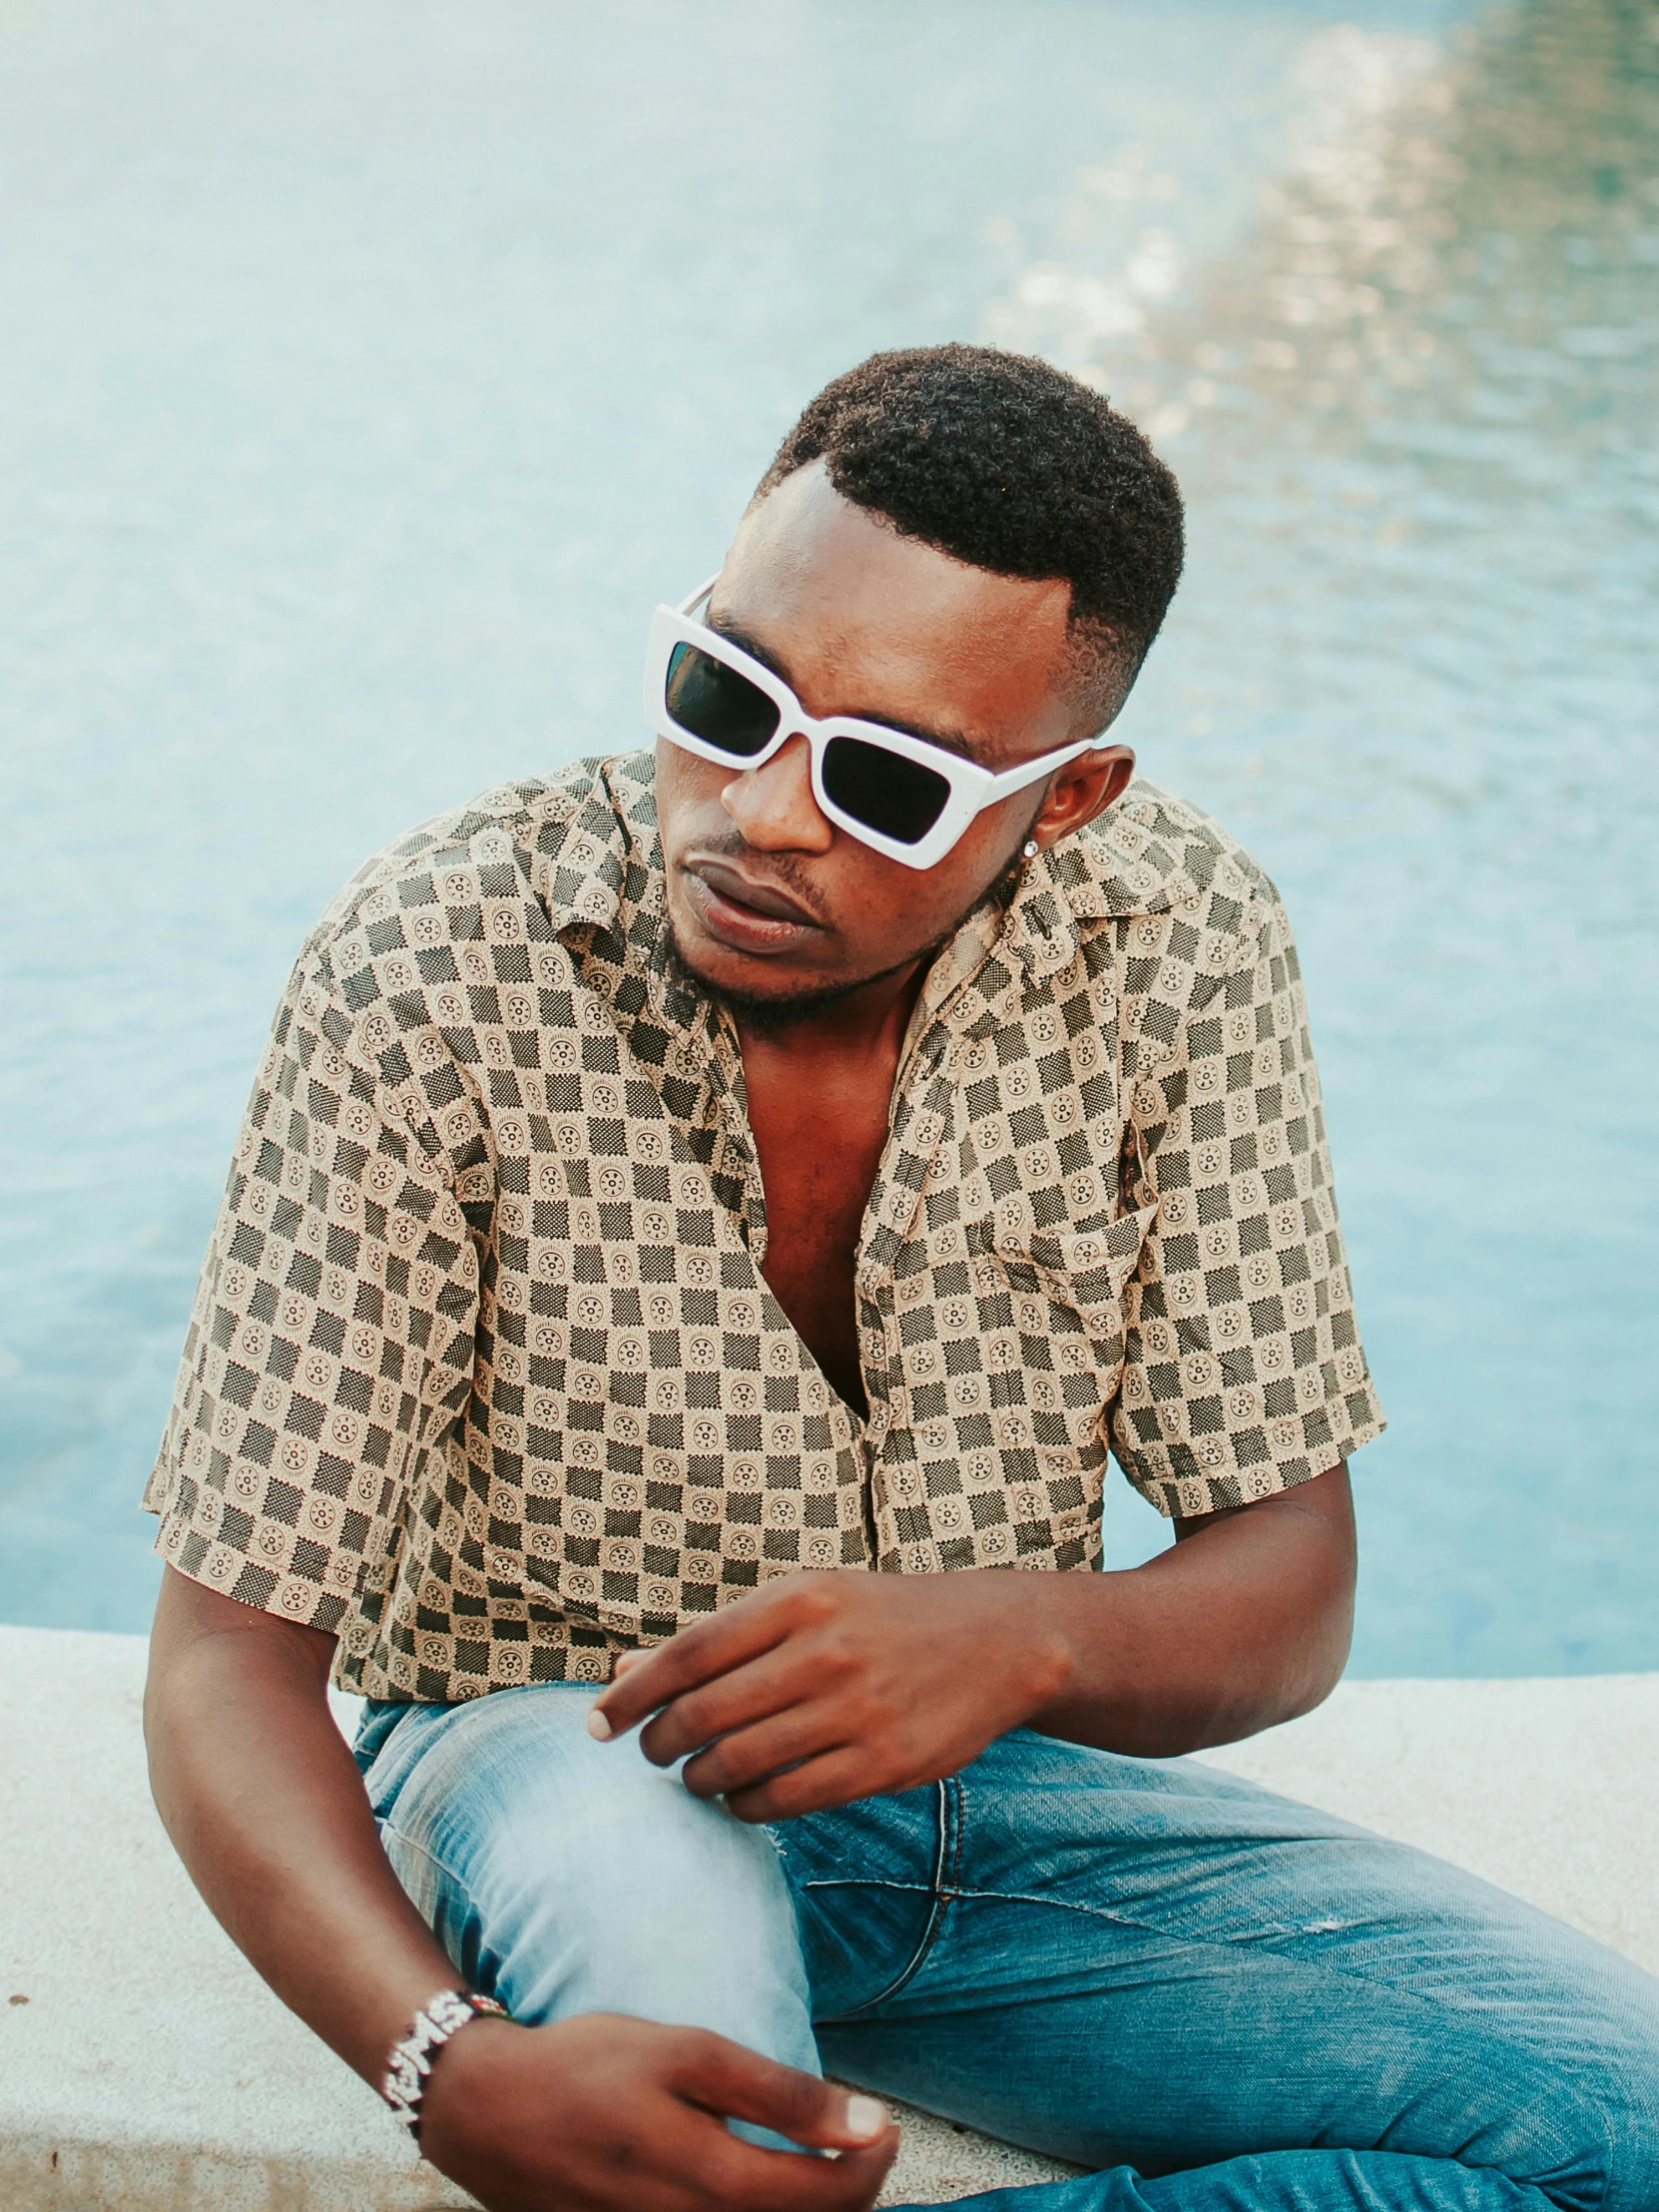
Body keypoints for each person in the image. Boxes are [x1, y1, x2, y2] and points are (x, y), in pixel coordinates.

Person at [142, 345, 1658, 2212]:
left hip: (983, 1808)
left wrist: (1026, 1635)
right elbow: (224, 1661)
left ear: (1068, 795)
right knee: (717, 2123)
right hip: (554, 1754)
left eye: (885, 779)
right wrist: (436, 2066)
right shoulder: (439, 961)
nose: (762, 809)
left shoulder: (1177, 947)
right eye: (726, 692)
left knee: (1628, 2138)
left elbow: (1288, 1586)